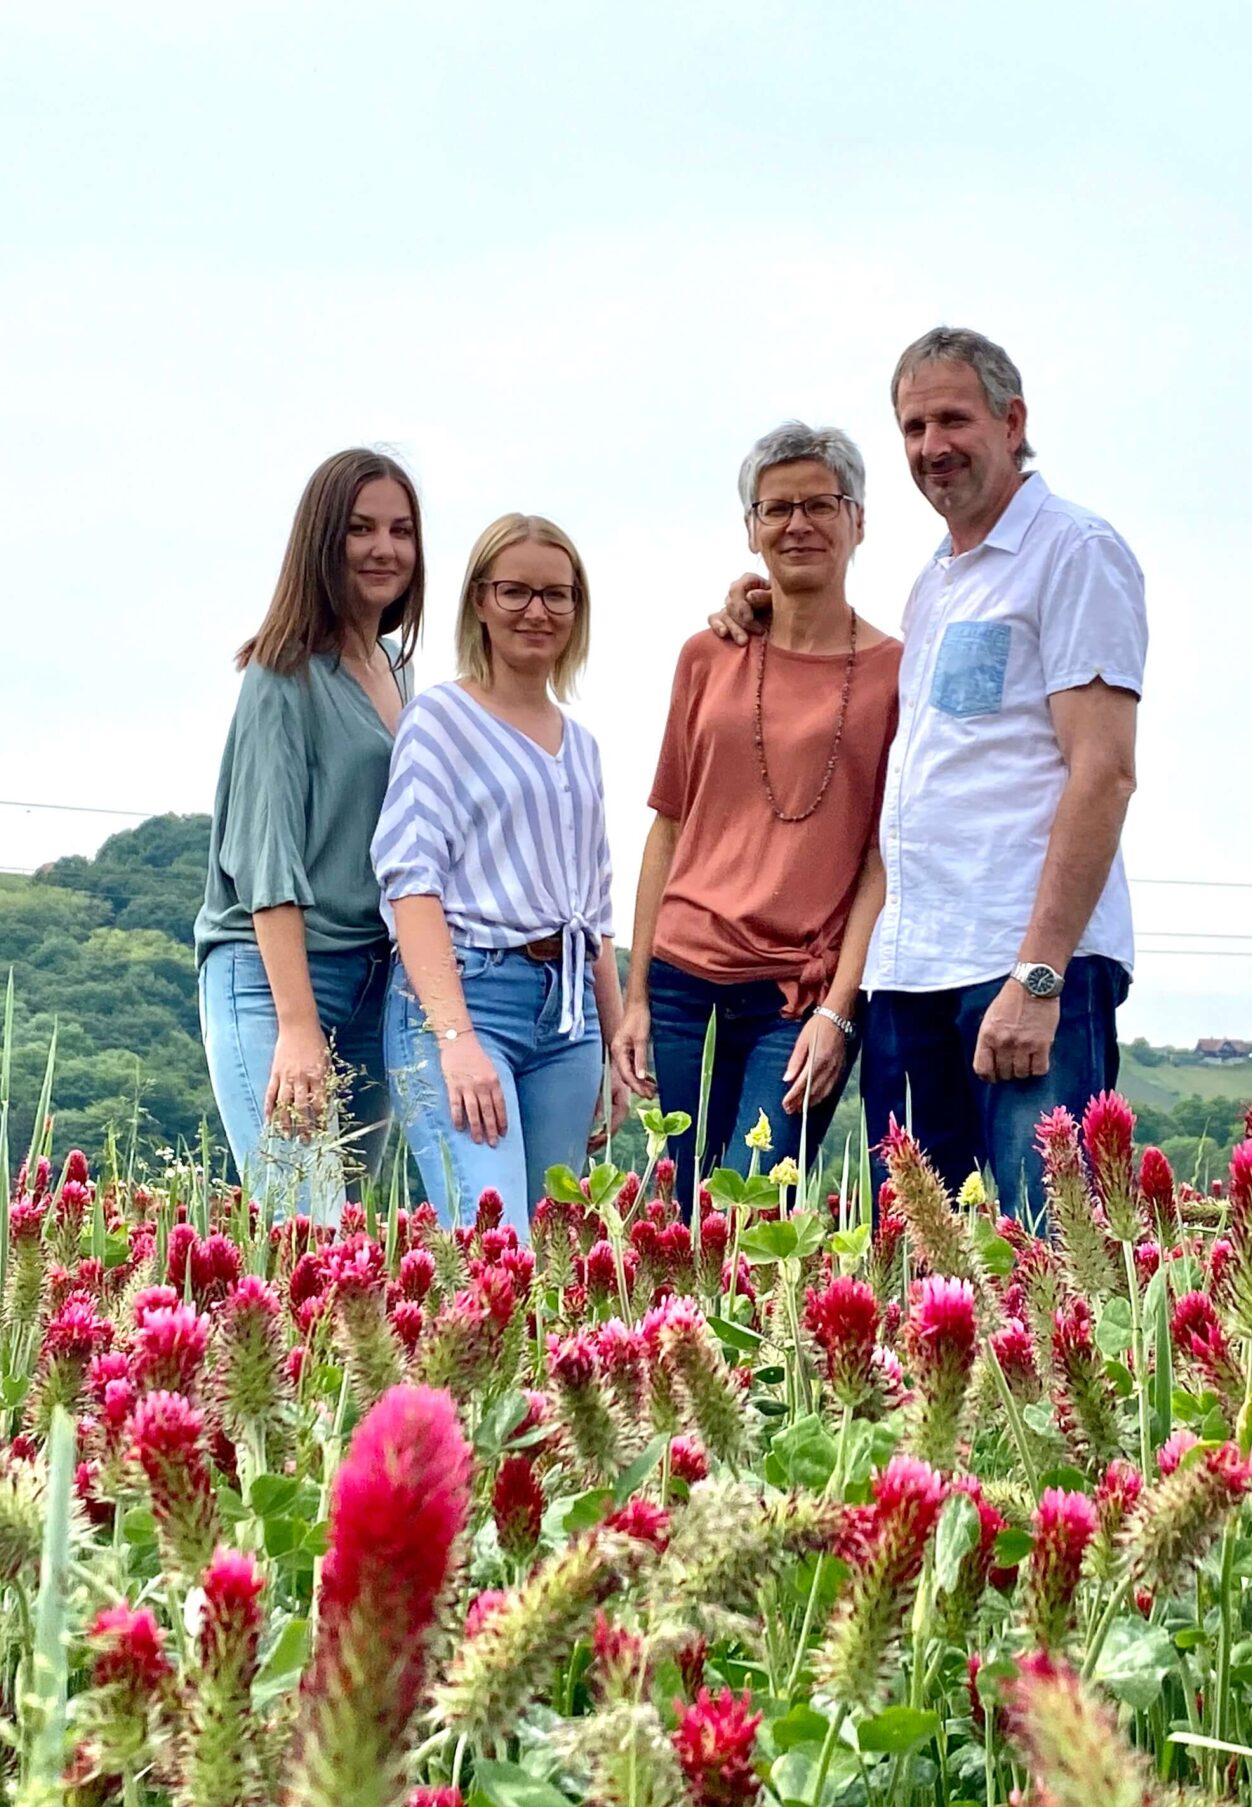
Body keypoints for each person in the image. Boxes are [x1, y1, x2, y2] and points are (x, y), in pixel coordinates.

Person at [719, 327, 1145, 1213]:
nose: (930, 447)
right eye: (912, 428)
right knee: (916, 1272)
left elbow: (1102, 773)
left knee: (1050, 1258)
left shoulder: (1075, 552)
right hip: (913, 977)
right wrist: (768, 604)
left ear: (1012, 419)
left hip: (1019, 968)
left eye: (952, 419)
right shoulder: (936, 579)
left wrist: (1038, 979)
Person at [613, 424, 902, 1190]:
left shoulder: (897, 672)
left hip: (795, 997)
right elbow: (667, 825)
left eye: (820, 504)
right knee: (665, 1211)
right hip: (677, 981)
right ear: (750, 529)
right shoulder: (707, 654)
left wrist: (839, 1010)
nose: (797, 524)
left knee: (749, 1206)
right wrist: (634, 997)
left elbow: (883, 858)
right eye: (775, 509)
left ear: (860, 521)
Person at [194, 448, 422, 1221]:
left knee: (350, 1233)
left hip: (372, 987)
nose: (384, 548)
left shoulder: (396, 668)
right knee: (304, 1224)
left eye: (401, 529)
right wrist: (297, 1027)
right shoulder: (280, 673)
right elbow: (266, 863)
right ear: (322, 540)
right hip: (274, 980)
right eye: (360, 529)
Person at [376, 513, 620, 1228]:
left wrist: (608, 1041)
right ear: (480, 599)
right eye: (515, 591)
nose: (537, 612)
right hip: (468, 997)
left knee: (554, 1256)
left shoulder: (581, 745)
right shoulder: (439, 720)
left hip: (566, 1016)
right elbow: (411, 883)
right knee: (492, 1245)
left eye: (557, 595)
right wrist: (454, 1038)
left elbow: (594, 909)